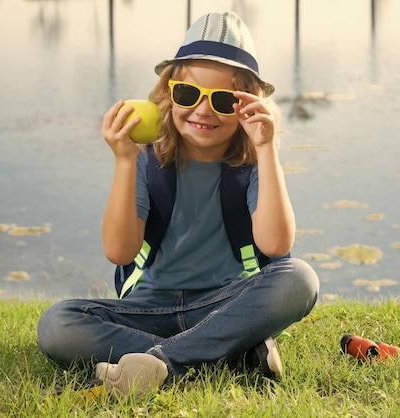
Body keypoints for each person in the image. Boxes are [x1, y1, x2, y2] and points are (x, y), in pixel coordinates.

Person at [37, 11, 319, 397]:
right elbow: (119, 251)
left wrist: (267, 149)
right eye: (188, 94)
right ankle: (226, 351)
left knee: (300, 279)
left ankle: (164, 364)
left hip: (226, 304)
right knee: (58, 324)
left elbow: (276, 247)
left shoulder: (253, 163)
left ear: (248, 107)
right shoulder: (145, 158)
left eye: (222, 101)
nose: (202, 110)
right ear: (168, 94)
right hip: (149, 310)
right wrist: (123, 159)